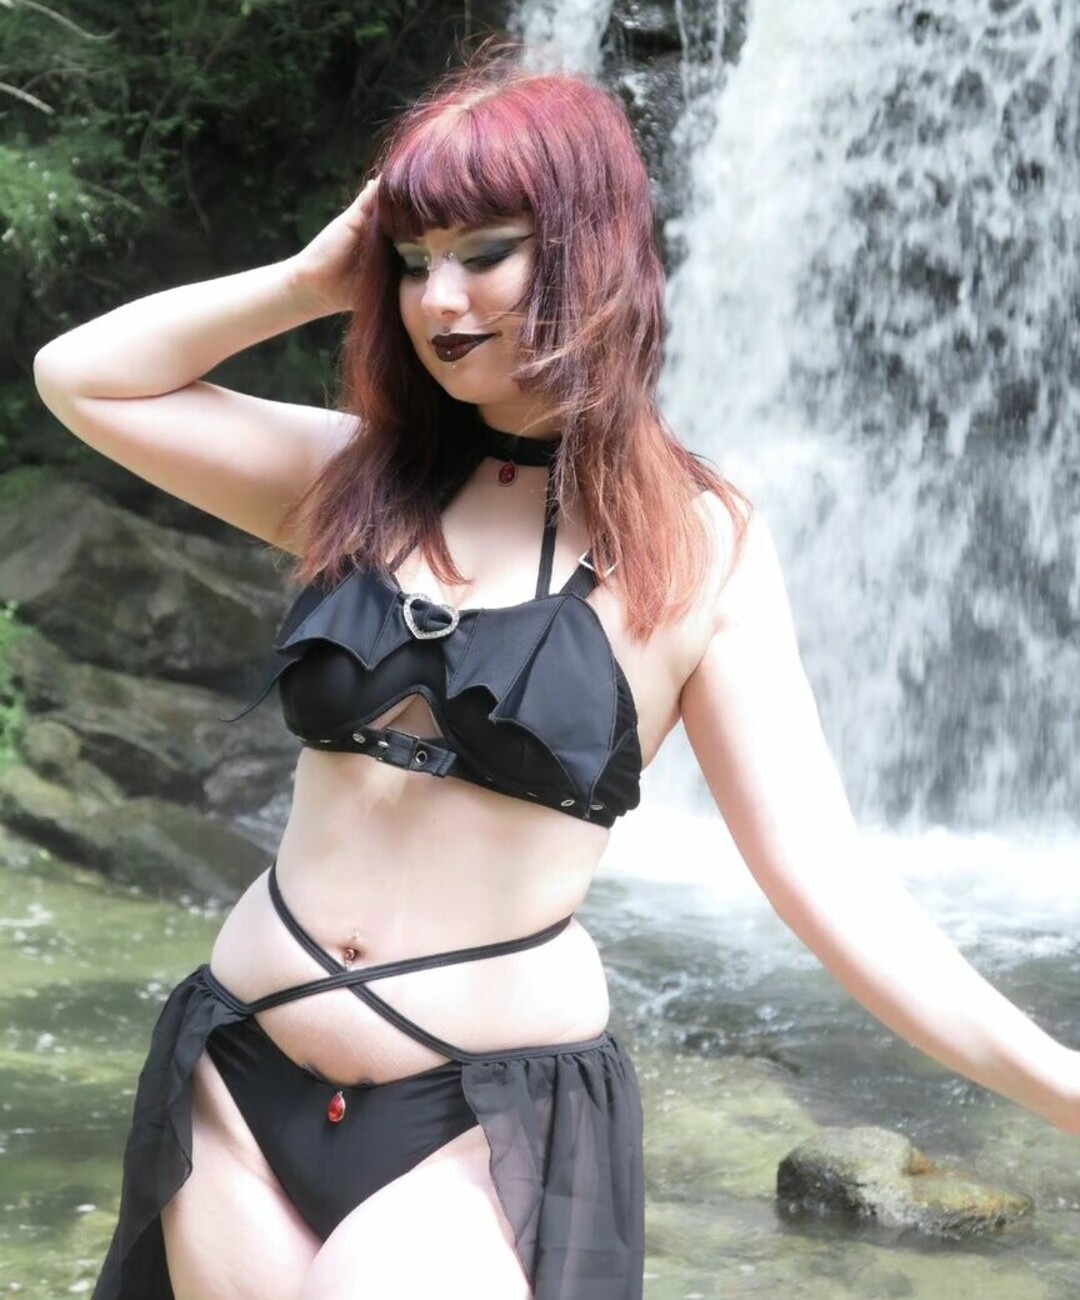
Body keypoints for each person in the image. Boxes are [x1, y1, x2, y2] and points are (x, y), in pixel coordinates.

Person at [33, 44, 1080, 1300]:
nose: (438, 298)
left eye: (485, 251)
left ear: (591, 252)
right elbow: (81, 379)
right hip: (237, 1082)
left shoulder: (699, 549)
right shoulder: (350, 481)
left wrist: (1061, 1086)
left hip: (474, 1126)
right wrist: (313, 278)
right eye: (411, 259)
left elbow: (829, 886)